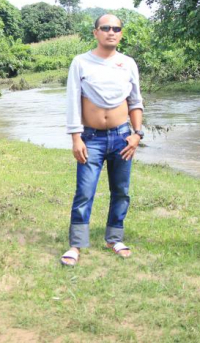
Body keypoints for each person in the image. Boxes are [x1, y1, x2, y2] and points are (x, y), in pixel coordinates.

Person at [60, 14, 144, 267]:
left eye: (116, 28)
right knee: (84, 191)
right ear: (95, 32)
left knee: (121, 191)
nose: (111, 32)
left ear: (121, 33)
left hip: (121, 137)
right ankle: (76, 244)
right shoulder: (81, 63)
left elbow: (135, 101)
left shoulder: (128, 63)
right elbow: (73, 101)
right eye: (105, 28)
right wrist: (76, 138)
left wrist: (137, 134)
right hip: (91, 138)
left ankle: (114, 238)